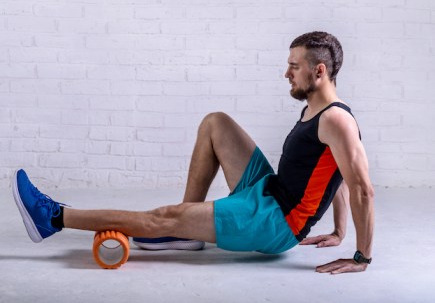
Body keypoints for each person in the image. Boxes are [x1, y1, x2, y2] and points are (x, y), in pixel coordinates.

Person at [12, 31, 374, 275]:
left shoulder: (337, 120)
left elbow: (361, 188)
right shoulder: (317, 108)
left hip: (276, 222)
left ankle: (54, 218)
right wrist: (338, 230)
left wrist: (361, 256)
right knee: (217, 122)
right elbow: (336, 172)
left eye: (294, 67)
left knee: (164, 215)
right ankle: (186, 230)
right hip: (269, 192)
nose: (286, 73)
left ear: (319, 71)